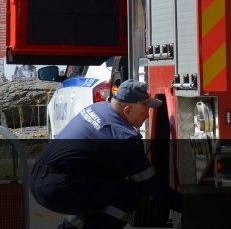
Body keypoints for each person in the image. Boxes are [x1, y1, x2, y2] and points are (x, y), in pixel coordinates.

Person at [30, 80, 182, 229]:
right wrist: (190, 206)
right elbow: (155, 189)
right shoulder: (122, 138)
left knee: (106, 188)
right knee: (127, 193)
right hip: (58, 187)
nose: (148, 116)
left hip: (41, 179)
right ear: (127, 110)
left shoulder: (97, 108)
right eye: (144, 110)